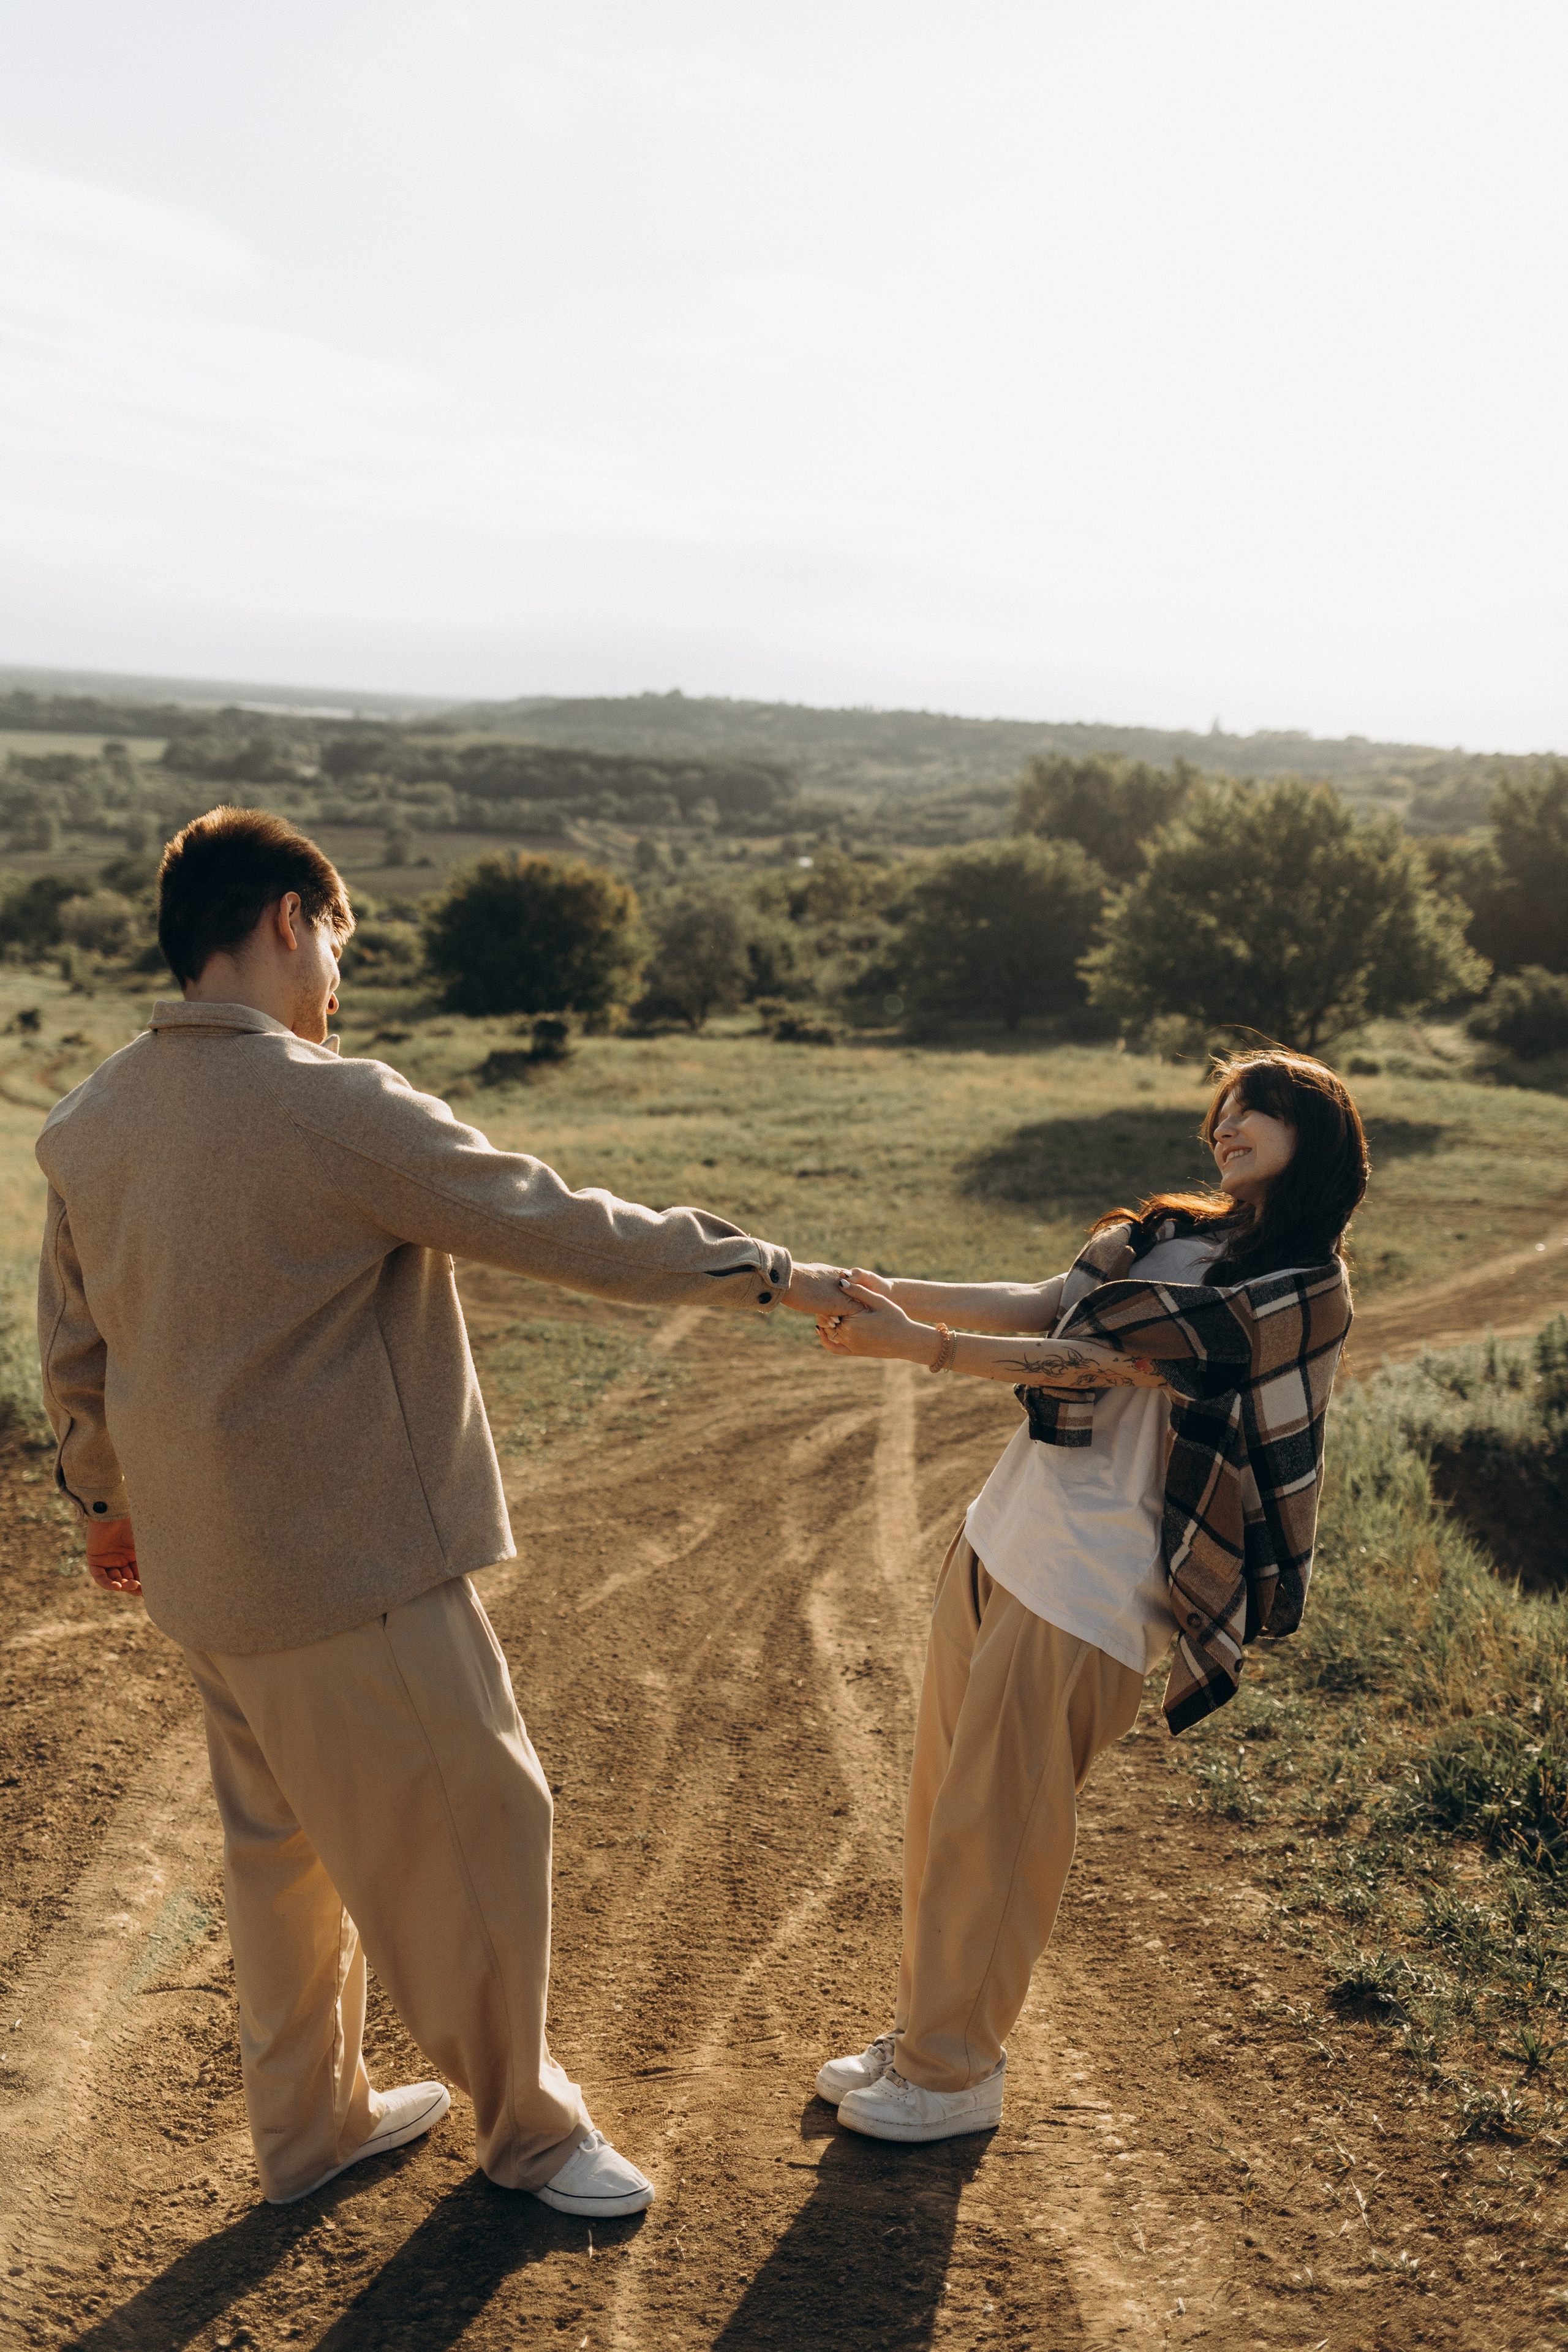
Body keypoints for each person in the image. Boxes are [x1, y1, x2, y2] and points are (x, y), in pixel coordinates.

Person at [37, 807, 848, 2213]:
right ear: (291, 919)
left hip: (204, 1578)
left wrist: (104, 1501)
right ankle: (531, 2135)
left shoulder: (88, 1119)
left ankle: (309, 2132)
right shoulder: (331, 1101)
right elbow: (558, 1224)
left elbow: (72, 1345)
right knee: (483, 1827)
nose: (336, 977)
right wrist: (768, 1272)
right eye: (335, 939)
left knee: (280, 1859)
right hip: (350, 1569)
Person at [810, 1049, 1368, 2146]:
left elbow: (1108, 1366)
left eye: (1257, 1107)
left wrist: (917, 1348)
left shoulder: (1303, 1288)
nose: (1228, 1123)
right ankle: (927, 2028)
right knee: (942, 1815)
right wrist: (875, 1289)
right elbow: (1046, 1307)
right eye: (1221, 1109)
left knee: (999, 1826)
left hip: (1095, 1580)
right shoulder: (1167, 1236)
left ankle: (954, 2069)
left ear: (1321, 1136)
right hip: (1002, 1535)